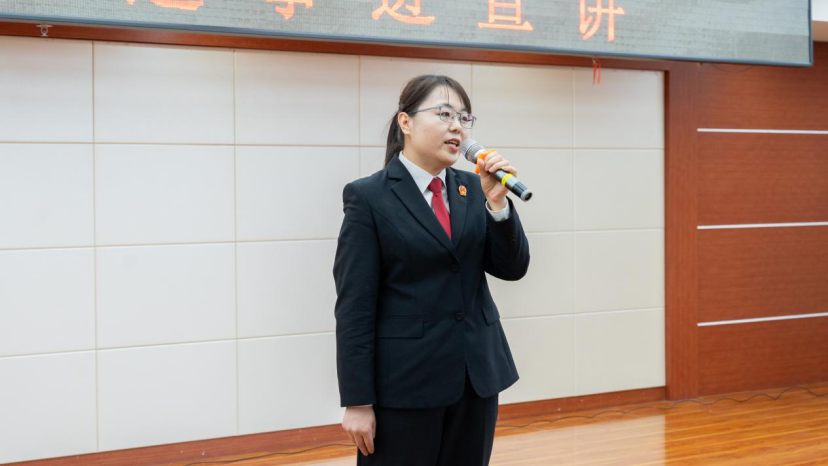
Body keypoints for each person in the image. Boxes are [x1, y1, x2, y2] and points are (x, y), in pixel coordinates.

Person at [333, 74, 531, 466]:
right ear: (405, 122)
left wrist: (497, 205)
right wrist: (357, 400)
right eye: (444, 114)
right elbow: (355, 306)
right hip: (404, 385)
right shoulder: (369, 197)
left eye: (463, 117)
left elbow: (512, 268)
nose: (457, 126)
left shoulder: (475, 189)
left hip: (475, 378)